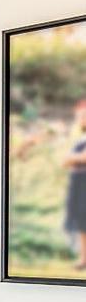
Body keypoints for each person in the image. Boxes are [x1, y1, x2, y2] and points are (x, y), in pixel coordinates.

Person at [65, 98, 86, 270]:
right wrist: (72, 159)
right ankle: (84, 259)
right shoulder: (81, 139)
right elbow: (65, 162)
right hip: (79, 182)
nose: (80, 119)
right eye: (78, 116)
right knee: (81, 221)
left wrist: (72, 158)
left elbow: (82, 158)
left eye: (83, 116)